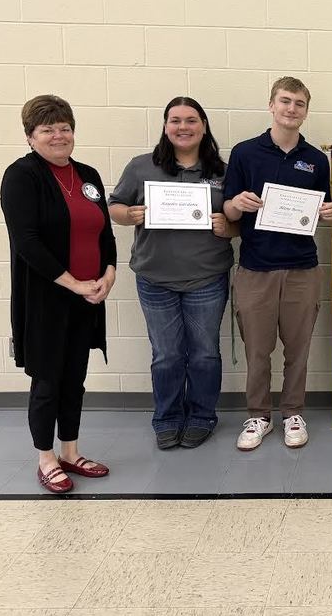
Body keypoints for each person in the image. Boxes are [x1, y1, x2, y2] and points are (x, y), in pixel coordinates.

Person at [0, 94, 116, 494]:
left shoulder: (87, 175)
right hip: (46, 299)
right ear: (31, 136)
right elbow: (27, 243)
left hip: (87, 298)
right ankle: (46, 458)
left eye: (64, 128)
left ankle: (70, 451)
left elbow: (105, 233)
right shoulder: (22, 176)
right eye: (47, 129)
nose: (58, 135)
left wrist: (109, 275)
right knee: (47, 380)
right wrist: (75, 283)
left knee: (75, 379)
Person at [109, 97, 238, 450]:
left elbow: (240, 225)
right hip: (155, 279)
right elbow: (115, 207)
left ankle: (202, 416)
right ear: (165, 126)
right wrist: (129, 215)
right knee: (166, 355)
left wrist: (227, 227)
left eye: (192, 120)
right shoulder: (141, 167)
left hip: (207, 278)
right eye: (176, 120)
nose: (183, 127)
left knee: (204, 353)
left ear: (204, 126)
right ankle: (166, 418)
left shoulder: (222, 172)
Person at [223, 76, 332, 451]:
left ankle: (292, 413)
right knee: (257, 349)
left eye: (299, 104)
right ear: (271, 105)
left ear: (306, 111)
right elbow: (226, 209)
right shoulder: (244, 153)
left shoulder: (316, 160)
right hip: (255, 268)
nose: (291, 109)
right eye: (285, 101)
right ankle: (258, 415)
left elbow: (325, 209)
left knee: (298, 349)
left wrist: (328, 212)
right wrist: (236, 204)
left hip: (303, 268)